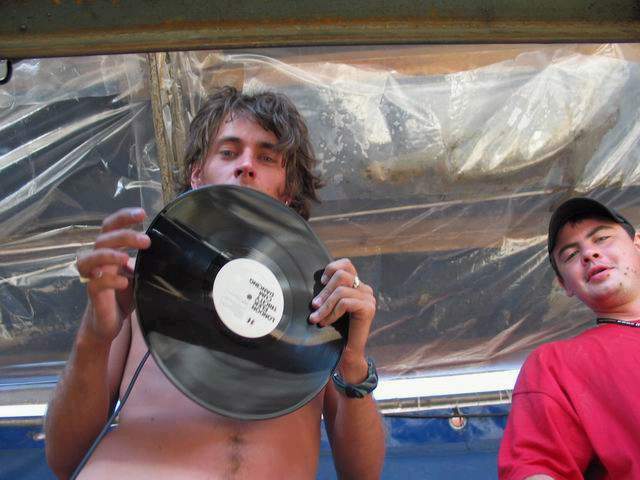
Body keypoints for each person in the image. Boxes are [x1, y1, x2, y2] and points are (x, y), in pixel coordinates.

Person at [44, 86, 385, 479]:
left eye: (266, 157)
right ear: (196, 175)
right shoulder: (139, 281)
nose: (246, 165)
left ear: (288, 192)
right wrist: (93, 337)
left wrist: (353, 362)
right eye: (228, 152)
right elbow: (63, 459)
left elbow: (363, 474)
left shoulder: (320, 302)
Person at [498, 197, 640, 479]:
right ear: (565, 284)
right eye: (571, 255)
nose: (589, 254)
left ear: (638, 245)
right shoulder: (555, 364)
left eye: (602, 238)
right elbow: (536, 466)